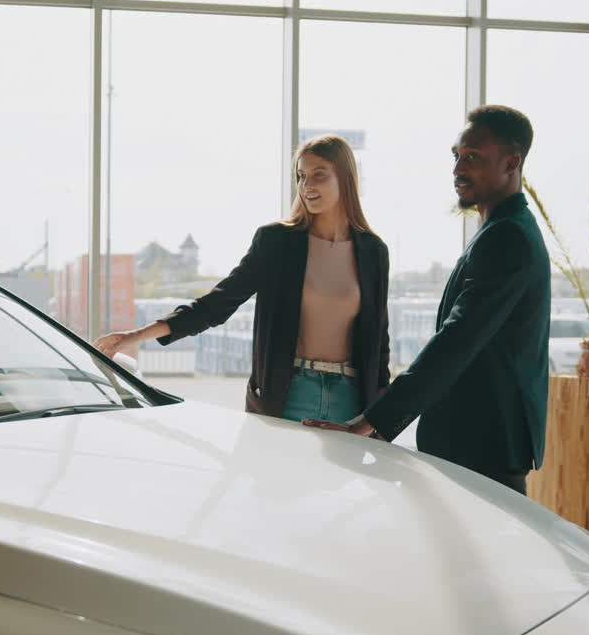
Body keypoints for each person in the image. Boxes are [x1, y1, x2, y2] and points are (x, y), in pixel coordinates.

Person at [306, 105, 550, 496]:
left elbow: (457, 339)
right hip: (478, 436)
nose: (457, 169)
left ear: (511, 162)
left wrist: (372, 421)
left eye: (472, 157)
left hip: (484, 440)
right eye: (456, 156)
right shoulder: (503, 229)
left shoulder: (509, 237)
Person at [93, 134, 390, 423]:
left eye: (319, 175)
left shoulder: (373, 252)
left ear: (345, 179)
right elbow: (219, 303)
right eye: (300, 176)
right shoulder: (277, 241)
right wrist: (134, 337)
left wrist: (380, 416)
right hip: (287, 394)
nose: (306, 185)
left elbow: (379, 340)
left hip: (350, 401)